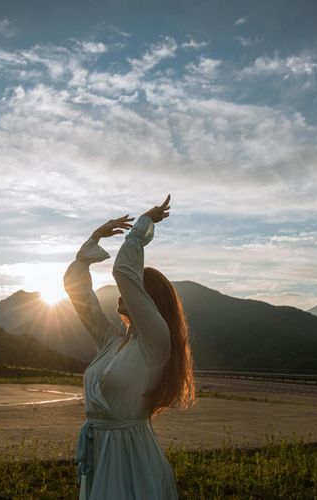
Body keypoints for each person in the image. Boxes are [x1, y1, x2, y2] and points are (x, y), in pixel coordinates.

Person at [63, 194, 196, 500]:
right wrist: (93, 240)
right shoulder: (112, 341)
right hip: (100, 454)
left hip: (130, 457)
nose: (124, 292)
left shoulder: (155, 342)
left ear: (147, 300)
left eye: (136, 288)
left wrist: (142, 226)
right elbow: (78, 294)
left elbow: (123, 272)